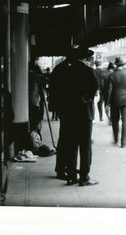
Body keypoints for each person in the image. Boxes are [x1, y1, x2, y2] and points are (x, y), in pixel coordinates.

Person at [59, 45, 99, 186]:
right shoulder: (89, 71)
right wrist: (85, 98)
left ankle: (71, 176)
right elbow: (94, 89)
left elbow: (62, 92)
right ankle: (84, 177)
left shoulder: (67, 71)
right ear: (87, 57)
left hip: (70, 114)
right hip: (84, 115)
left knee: (71, 145)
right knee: (85, 145)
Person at [49, 46, 76, 180]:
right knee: (66, 139)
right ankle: (62, 168)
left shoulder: (59, 68)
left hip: (64, 108)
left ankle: (64, 167)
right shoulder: (66, 69)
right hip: (67, 108)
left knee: (65, 138)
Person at [106, 58, 126, 148]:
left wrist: (107, 102)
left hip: (115, 100)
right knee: (124, 122)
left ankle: (116, 140)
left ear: (116, 65)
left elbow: (109, 90)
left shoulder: (112, 75)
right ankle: (123, 143)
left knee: (115, 121)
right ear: (123, 65)